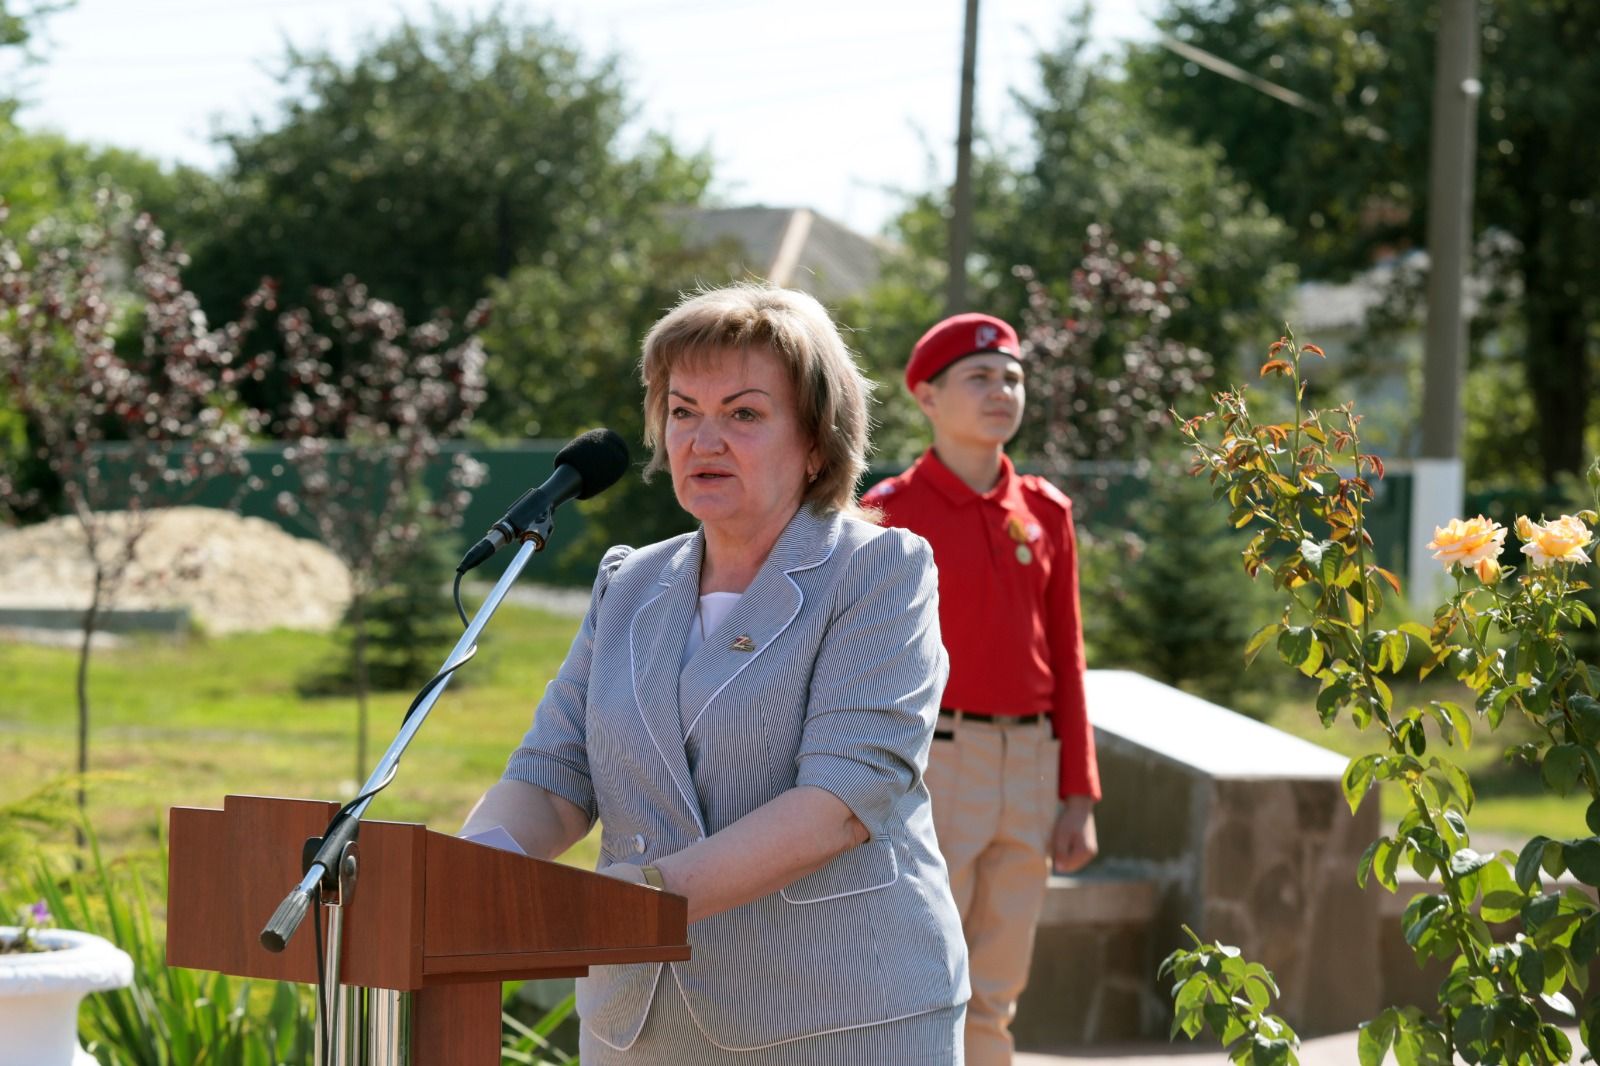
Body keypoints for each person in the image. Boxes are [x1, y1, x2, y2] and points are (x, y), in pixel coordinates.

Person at [462, 284, 969, 1063]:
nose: (702, 439)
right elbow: (554, 772)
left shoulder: (877, 571)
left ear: (815, 442)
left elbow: (842, 801)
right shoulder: (628, 582)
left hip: (840, 1014)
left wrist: (631, 906)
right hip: (637, 1023)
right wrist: (469, 876)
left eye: (743, 414)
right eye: (682, 410)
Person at [861, 312, 1101, 1066]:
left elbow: (1067, 655)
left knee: (998, 986)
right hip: (937, 762)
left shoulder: (1045, 512)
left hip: (1029, 765)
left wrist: (1079, 793)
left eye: (1013, 377)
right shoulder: (889, 514)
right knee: (923, 973)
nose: (1002, 391)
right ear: (927, 399)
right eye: (979, 378)